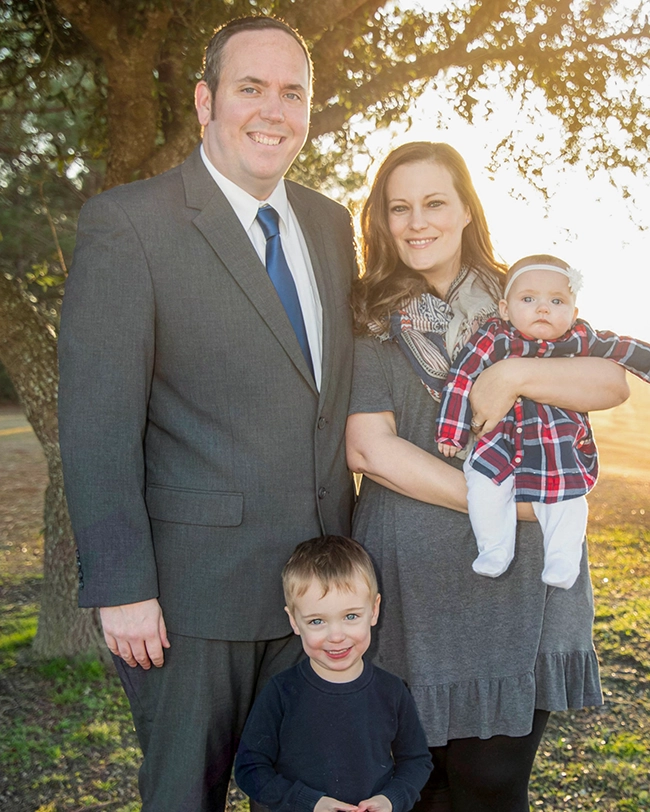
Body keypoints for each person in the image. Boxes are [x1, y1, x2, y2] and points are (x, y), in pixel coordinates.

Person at [57, 16, 357, 812]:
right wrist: (121, 584)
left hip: (319, 601)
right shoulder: (130, 225)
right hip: (191, 603)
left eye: (292, 92)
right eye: (250, 88)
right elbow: (96, 421)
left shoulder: (330, 225)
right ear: (205, 100)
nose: (273, 109)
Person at [345, 142, 629, 812]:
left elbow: (609, 381)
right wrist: (501, 506)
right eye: (400, 208)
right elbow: (369, 449)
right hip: (414, 588)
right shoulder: (367, 316)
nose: (418, 221)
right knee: (420, 787)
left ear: (467, 209)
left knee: (494, 783)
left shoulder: (522, 297)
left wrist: (516, 373)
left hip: (518, 589)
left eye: (435, 202)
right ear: (382, 223)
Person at [436, 254, 650, 589]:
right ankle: (494, 548)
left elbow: (624, 348)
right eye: (529, 299)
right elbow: (461, 378)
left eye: (556, 300)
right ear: (505, 310)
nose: (543, 309)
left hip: (557, 444)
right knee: (483, 486)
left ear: (574, 313)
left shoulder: (579, 339)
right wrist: (451, 431)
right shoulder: (495, 337)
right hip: (500, 442)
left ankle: (563, 561)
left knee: (567, 502)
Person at [235, 536, 433, 812]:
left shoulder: (392, 691)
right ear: (294, 621)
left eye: (351, 616)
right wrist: (309, 802)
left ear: (374, 610)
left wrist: (390, 799)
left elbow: (416, 761)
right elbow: (250, 768)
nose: (336, 636)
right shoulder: (281, 692)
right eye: (317, 621)